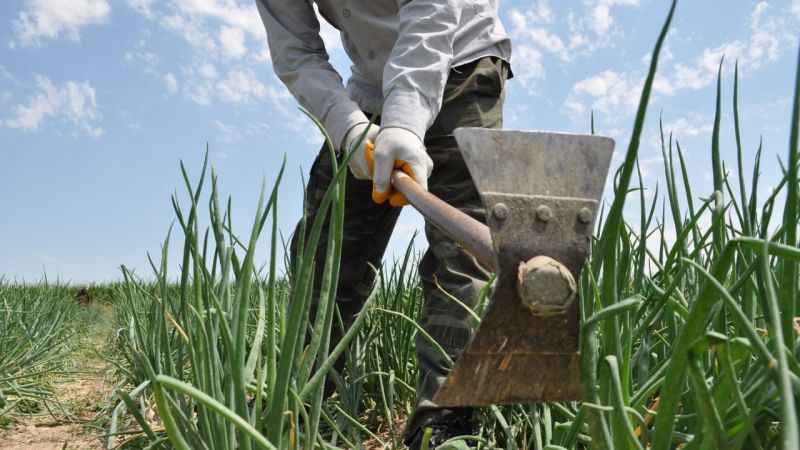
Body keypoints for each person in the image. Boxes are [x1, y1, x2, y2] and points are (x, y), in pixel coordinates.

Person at [255, 1, 511, 448]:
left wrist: (407, 124)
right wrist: (348, 127)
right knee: (326, 252)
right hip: (369, 89)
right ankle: (299, 407)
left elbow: (433, 9)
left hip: (461, 60)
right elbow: (295, 50)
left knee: (461, 259)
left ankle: (443, 424)